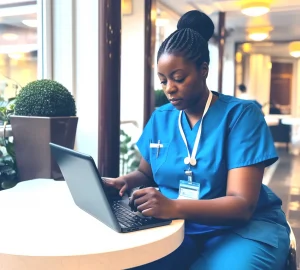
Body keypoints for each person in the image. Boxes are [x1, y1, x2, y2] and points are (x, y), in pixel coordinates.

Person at [104, 10, 290, 270]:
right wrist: (123, 182)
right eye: (163, 80)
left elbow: (241, 205)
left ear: (204, 70)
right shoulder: (161, 118)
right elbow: (145, 174)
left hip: (242, 230)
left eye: (178, 78)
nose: (169, 87)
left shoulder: (241, 116)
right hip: (179, 228)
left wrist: (172, 206)